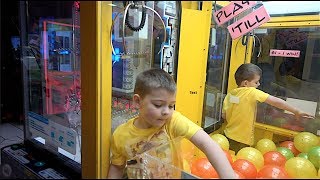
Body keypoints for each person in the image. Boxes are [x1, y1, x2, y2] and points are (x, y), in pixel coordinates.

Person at [108, 68, 236, 179]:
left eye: (171, 106)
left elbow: (206, 143)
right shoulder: (121, 135)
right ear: (137, 101)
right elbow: (117, 167)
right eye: (158, 105)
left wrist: (228, 176)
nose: (166, 112)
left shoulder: (171, 121)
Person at [222, 63, 314, 152]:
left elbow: (224, 115)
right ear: (246, 83)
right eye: (256, 82)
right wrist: (296, 111)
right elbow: (275, 101)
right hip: (242, 140)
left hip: (227, 135)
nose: (258, 84)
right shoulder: (251, 92)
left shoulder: (231, 94)